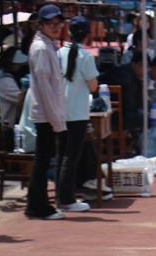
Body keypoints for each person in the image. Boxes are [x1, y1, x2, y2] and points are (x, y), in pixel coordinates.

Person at [25, 4, 67, 221]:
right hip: (45, 113)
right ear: (41, 25)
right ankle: (37, 206)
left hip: (48, 111)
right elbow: (44, 88)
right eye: (51, 23)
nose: (56, 27)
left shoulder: (47, 45)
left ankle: (38, 204)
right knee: (42, 160)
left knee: (43, 159)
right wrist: (55, 119)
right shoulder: (41, 48)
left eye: (58, 23)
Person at [56, 15, 99, 213]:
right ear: (87, 35)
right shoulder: (86, 57)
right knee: (71, 157)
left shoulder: (58, 53)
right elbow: (93, 86)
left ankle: (61, 195)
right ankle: (66, 198)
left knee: (61, 155)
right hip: (78, 113)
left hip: (59, 111)